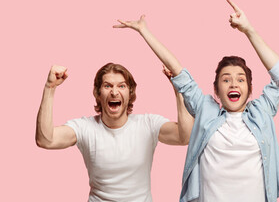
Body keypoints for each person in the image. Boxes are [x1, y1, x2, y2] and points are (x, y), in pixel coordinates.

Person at [115, 0, 279, 202]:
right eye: (226, 80)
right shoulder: (205, 110)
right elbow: (177, 70)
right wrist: (144, 31)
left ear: (249, 89)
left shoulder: (262, 111)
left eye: (240, 80)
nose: (234, 84)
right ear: (216, 90)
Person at [35, 62, 193, 201]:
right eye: (107, 86)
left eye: (121, 86)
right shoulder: (85, 127)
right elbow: (46, 140)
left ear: (130, 93)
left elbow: (184, 136)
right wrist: (50, 88)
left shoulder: (148, 124)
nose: (114, 92)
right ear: (97, 93)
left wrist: (177, 87)